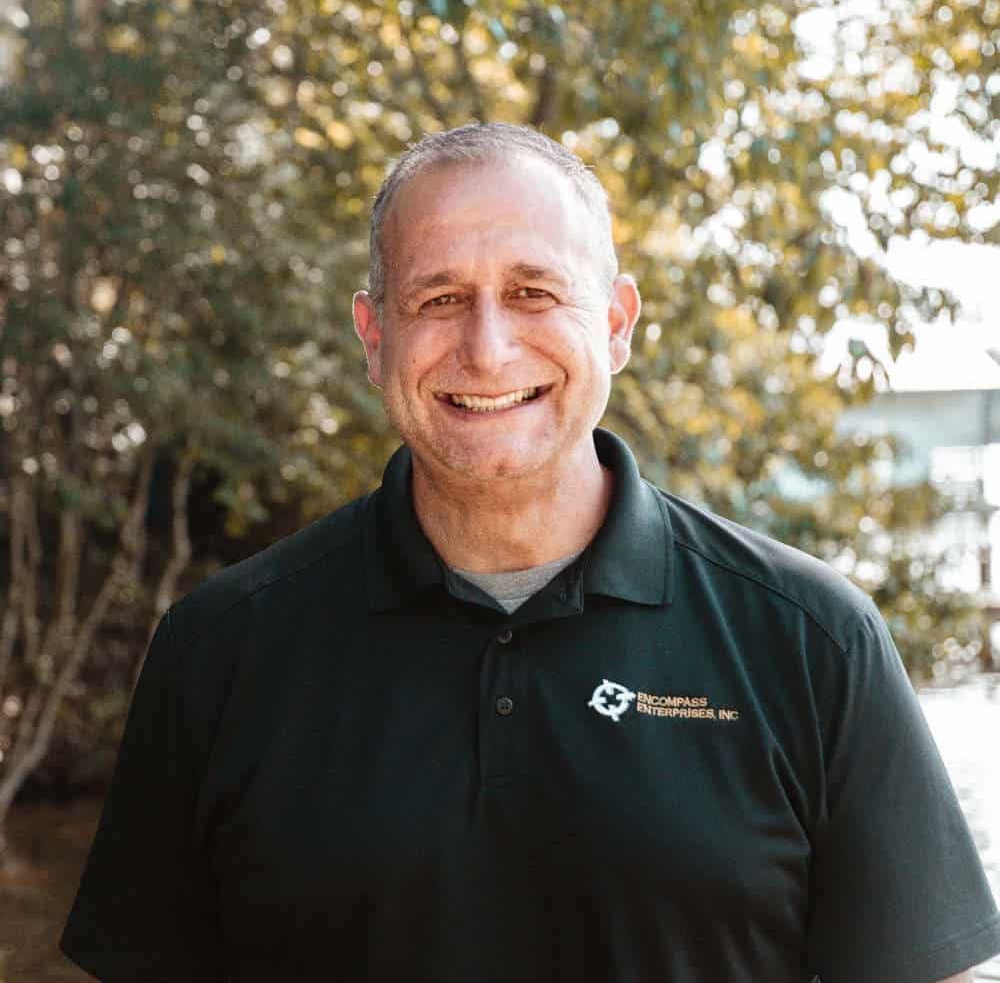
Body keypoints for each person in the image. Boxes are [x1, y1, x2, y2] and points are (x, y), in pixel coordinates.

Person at [62, 122, 1000, 982]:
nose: (488, 346)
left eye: (532, 292)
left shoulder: (812, 641)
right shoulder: (219, 653)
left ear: (619, 322)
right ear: (373, 333)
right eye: (439, 297)